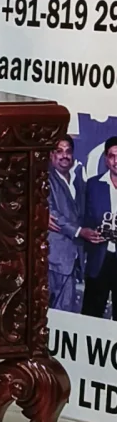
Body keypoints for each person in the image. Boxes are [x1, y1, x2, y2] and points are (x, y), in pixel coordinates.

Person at [48, 136, 88, 312]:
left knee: (65, 314)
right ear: (51, 155)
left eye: (68, 151)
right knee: (46, 314)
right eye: (59, 151)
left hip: (73, 259)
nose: (64, 155)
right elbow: (51, 212)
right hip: (52, 259)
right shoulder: (45, 179)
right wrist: (79, 231)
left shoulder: (77, 180)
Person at [81, 136, 117, 318]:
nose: (116, 161)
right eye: (112, 156)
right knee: (91, 316)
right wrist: (87, 232)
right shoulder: (93, 185)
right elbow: (84, 218)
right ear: (105, 159)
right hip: (99, 259)